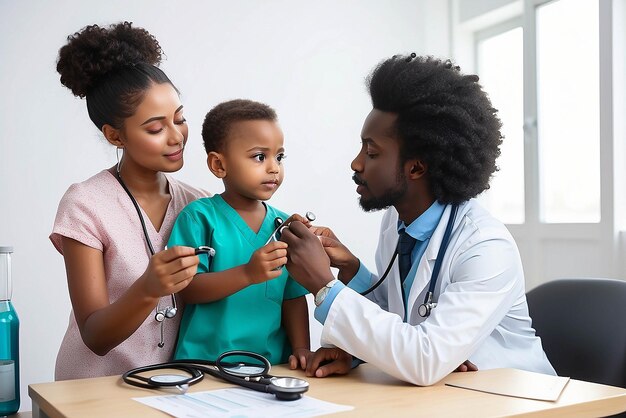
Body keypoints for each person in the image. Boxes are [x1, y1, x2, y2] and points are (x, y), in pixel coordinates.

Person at [280, 54, 556, 385]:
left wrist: (324, 285)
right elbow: (402, 319)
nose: (356, 164)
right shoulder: (397, 222)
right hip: (451, 398)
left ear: (416, 167)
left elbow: (424, 358)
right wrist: (352, 270)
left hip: (520, 402)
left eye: (371, 152)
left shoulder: (485, 246)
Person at [50, 22, 208, 380]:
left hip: (173, 391)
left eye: (180, 119)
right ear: (114, 135)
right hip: (92, 394)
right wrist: (149, 288)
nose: (176, 136)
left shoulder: (199, 204)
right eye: (155, 128)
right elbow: (94, 335)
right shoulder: (85, 204)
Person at [167, 99, 312, 367]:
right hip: (205, 367)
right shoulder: (199, 217)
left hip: (270, 368)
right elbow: (186, 288)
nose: (273, 168)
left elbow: (293, 297)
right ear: (219, 165)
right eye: (260, 157)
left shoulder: (284, 226)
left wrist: (302, 348)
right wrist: (247, 274)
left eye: (279, 157)